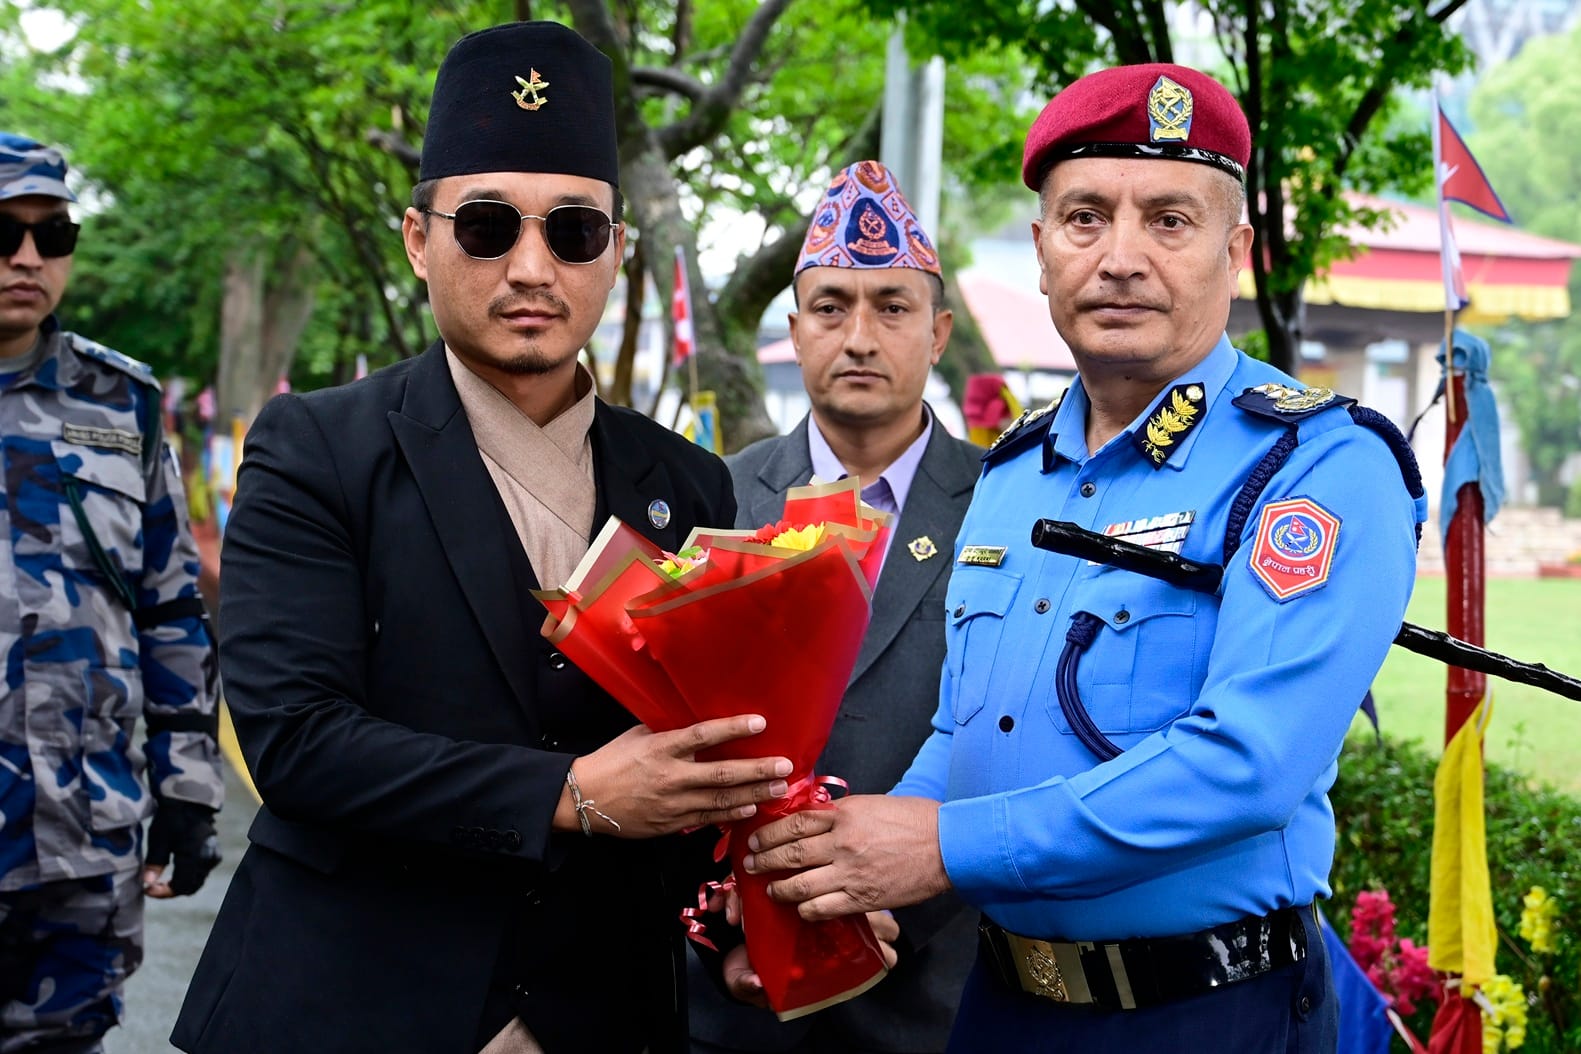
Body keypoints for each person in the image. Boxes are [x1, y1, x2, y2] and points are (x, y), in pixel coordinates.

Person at [741, 64, 1428, 1053]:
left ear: (1235, 251)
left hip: (1204, 1013)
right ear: (1041, 251)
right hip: (1000, 1006)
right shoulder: (1013, 470)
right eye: (1085, 218)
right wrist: (852, 859)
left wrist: (941, 846)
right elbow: (963, 729)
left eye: (1169, 221)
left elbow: (1248, 764)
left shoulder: (1316, 464)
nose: (1120, 258)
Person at [171, 22, 792, 1054]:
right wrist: (570, 794)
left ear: (617, 251)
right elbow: (296, 742)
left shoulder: (685, 480)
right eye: (489, 226)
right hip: (356, 1000)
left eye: (574, 231)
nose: (532, 268)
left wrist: (730, 905)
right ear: (419, 240)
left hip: (602, 1010)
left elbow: (686, 758)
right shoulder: (319, 448)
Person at [689, 161, 981, 1054]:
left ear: (937, 333)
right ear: (793, 330)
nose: (858, 337)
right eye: (830, 307)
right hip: (734, 995)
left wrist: (890, 906)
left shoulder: (1004, 508)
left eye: (891, 308)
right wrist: (722, 924)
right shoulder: (712, 499)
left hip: (934, 996)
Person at [0, 133, 224, 1053]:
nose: (27, 258)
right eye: (3, 234)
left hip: (78, 842)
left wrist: (189, 793)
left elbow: (171, 608)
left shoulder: (120, 402)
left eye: (52, 236)